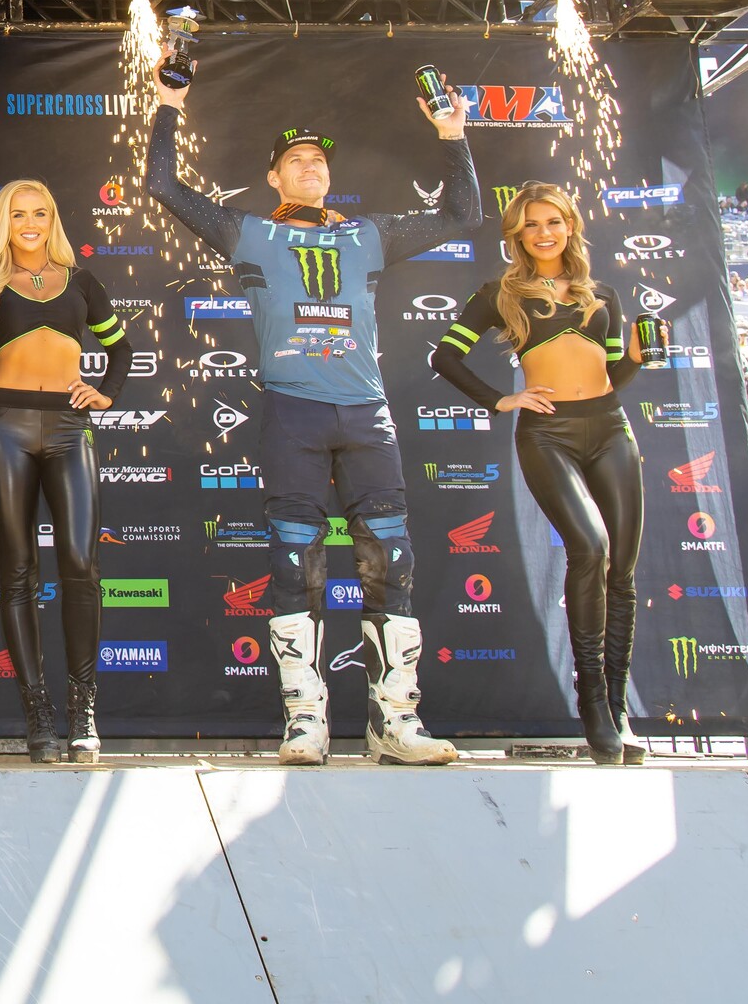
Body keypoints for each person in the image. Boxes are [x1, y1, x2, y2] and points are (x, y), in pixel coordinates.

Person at [144, 75, 482, 765]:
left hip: (366, 414)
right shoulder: (249, 231)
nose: (310, 166)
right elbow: (163, 188)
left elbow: (461, 216)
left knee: (391, 558)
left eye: (320, 160)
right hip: (294, 411)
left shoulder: (369, 234)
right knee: (295, 559)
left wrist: (454, 136)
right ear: (273, 176)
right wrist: (167, 108)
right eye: (295, 159)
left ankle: (396, 723)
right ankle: (305, 720)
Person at [429, 183, 647, 764]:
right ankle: (592, 702)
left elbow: (611, 376)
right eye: (531, 225)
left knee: (622, 571)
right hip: (547, 435)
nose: (544, 232)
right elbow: (444, 357)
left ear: (570, 225)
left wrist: (634, 360)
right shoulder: (501, 293)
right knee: (591, 548)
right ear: (517, 235)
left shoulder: (602, 293)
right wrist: (501, 400)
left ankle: (618, 711)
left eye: (553, 221)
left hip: (611, 429)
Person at [0, 180, 136, 762]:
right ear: (3, 223)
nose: (30, 223)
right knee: (17, 572)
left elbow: (121, 349)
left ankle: (82, 711)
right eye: (18, 214)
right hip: (5, 425)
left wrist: (106, 393)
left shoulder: (82, 280)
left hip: (69, 427)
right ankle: (38, 714)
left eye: (40, 212)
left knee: (82, 566)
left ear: (53, 217)